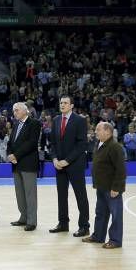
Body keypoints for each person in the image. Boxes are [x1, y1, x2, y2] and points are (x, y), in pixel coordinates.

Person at [49, 96, 90, 237]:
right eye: (61, 102)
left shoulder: (80, 120)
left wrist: (67, 160)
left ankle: (84, 226)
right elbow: (52, 143)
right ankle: (63, 223)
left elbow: (82, 144)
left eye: (65, 103)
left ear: (72, 105)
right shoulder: (55, 120)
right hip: (59, 165)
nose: (62, 105)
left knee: (80, 195)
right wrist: (54, 159)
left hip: (75, 164)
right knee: (61, 195)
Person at [83, 122, 127, 249]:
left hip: (111, 188)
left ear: (107, 131)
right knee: (100, 213)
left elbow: (121, 169)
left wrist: (117, 188)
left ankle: (115, 240)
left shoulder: (115, 147)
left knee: (116, 215)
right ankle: (98, 236)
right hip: (101, 187)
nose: (95, 131)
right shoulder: (99, 144)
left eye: (98, 129)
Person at [8, 102, 41, 231]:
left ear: (25, 111)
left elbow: (31, 143)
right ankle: (23, 217)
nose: (14, 113)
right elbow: (11, 142)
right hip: (16, 164)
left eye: (16, 110)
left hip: (28, 164)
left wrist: (16, 155)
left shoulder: (34, 123)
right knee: (20, 193)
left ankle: (32, 221)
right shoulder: (16, 125)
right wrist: (10, 154)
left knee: (30, 194)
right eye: (14, 110)